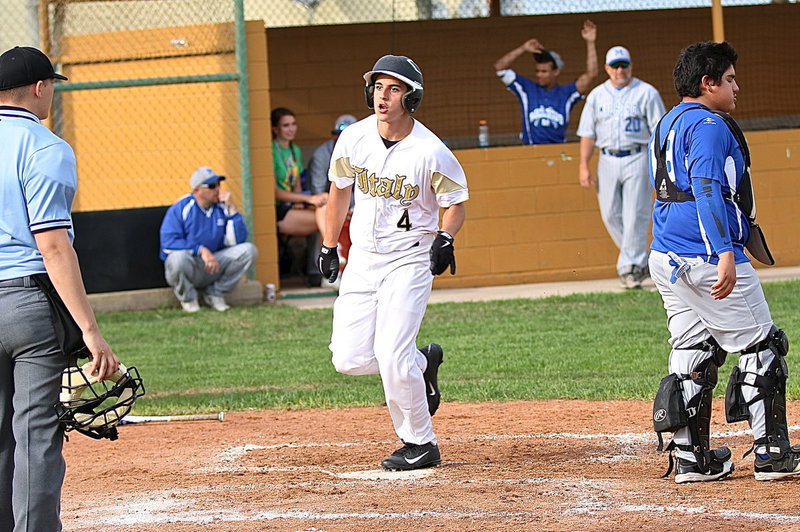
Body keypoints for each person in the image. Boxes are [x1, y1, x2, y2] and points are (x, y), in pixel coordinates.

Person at [648, 41, 800, 483]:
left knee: (694, 349)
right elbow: (707, 188)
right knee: (762, 346)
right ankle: (773, 453)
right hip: (705, 254)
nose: (737, 87)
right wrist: (725, 253)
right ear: (707, 83)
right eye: (729, 79)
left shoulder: (668, 122)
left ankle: (693, 459)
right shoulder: (711, 125)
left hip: (667, 254)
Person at [317, 55, 468, 471]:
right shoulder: (353, 138)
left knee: (391, 352)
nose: (383, 96)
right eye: (379, 88)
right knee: (347, 359)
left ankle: (420, 443)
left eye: (394, 89)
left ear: (411, 97)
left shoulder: (430, 150)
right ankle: (421, 364)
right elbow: (340, 191)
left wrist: (446, 237)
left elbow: (454, 203)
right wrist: (330, 246)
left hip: (409, 258)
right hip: (363, 258)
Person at [0, 45, 120, 531]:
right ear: (39, 87)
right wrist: (90, 332)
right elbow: (52, 247)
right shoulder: (46, 146)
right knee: (35, 434)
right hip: (27, 302)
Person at [577, 46, 666, 289]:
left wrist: (660, 166)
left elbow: (660, 132)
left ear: (630, 66)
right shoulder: (597, 95)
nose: (620, 70)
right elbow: (587, 133)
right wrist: (583, 165)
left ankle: (629, 269)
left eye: (623, 65)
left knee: (635, 214)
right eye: (615, 65)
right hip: (606, 158)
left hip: (637, 156)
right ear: (606, 68)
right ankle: (639, 261)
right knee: (610, 214)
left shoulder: (646, 92)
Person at [159, 167, 257, 312]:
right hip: (190, 265)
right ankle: (189, 299)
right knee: (177, 258)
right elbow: (168, 243)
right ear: (197, 190)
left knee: (249, 250)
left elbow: (237, 242)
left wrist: (232, 209)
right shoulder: (182, 207)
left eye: (218, 185)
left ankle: (215, 294)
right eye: (212, 186)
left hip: (213, 265)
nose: (217, 189)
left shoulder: (222, 207)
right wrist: (200, 250)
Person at [493, 19, 598, 144]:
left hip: (557, 151)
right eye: (538, 71)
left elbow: (591, 74)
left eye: (544, 71)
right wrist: (523, 48)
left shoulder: (566, 93)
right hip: (531, 152)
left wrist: (590, 42)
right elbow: (500, 67)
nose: (539, 75)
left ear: (556, 72)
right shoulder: (527, 89)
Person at [271, 107, 327, 238]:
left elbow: (296, 183)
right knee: (329, 218)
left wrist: (300, 201)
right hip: (280, 209)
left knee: (327, 199)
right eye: (286, 125)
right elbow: (275, 193)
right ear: (275, 129)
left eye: (293, 124)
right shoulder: (271, 151)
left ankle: (329, 252)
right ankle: (330, 252)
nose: (291, 129)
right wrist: (309, 199)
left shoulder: (295, 150)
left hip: (294, 204)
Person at [307, 113, 357, 196]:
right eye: (340, 134)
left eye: (351, 136)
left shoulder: (362, 151)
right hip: (327, 199)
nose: (345, 139)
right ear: (335, 136)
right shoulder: (321, 155)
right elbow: (318, 192)